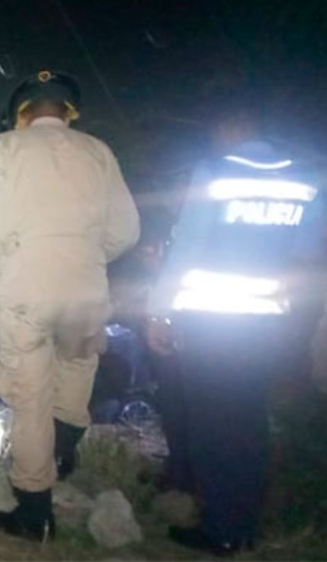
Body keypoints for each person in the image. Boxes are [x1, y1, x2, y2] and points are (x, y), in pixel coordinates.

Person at [0, 69, 140, 541]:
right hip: (86, 287)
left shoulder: (4, 149)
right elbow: (126, 231)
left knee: (30, 395)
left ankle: (35, 510)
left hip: (27, 289)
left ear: (22, 113)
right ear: (69, 112)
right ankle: (64, 450)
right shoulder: (98, 152)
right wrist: (84, 253)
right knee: (77, 370)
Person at [146, 106, 325, 555]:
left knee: (211, 426)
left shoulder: (216, 173)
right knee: (249, 423)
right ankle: (243, 524)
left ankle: (219, 527)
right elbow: (309, 252)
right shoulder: (308, 179)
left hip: (211, 323)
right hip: (266, 324)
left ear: (226, 128)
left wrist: (159, 312)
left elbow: (185, 249)